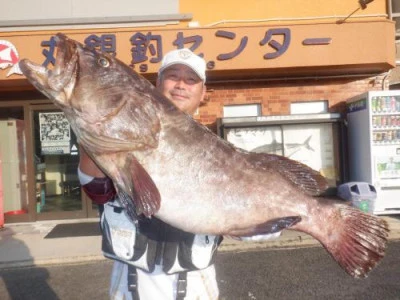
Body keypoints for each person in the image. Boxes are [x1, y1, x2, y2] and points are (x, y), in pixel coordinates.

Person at [78, 48, 222, 300]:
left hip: (196, 289)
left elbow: (260, 229)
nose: (180, 85)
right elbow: (96, 190)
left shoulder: (218, 153)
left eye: (191, 80)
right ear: (157, 84)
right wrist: (93, 133)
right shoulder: (126, 130)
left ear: (203, 93)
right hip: (129, 286)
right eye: (172, 76)